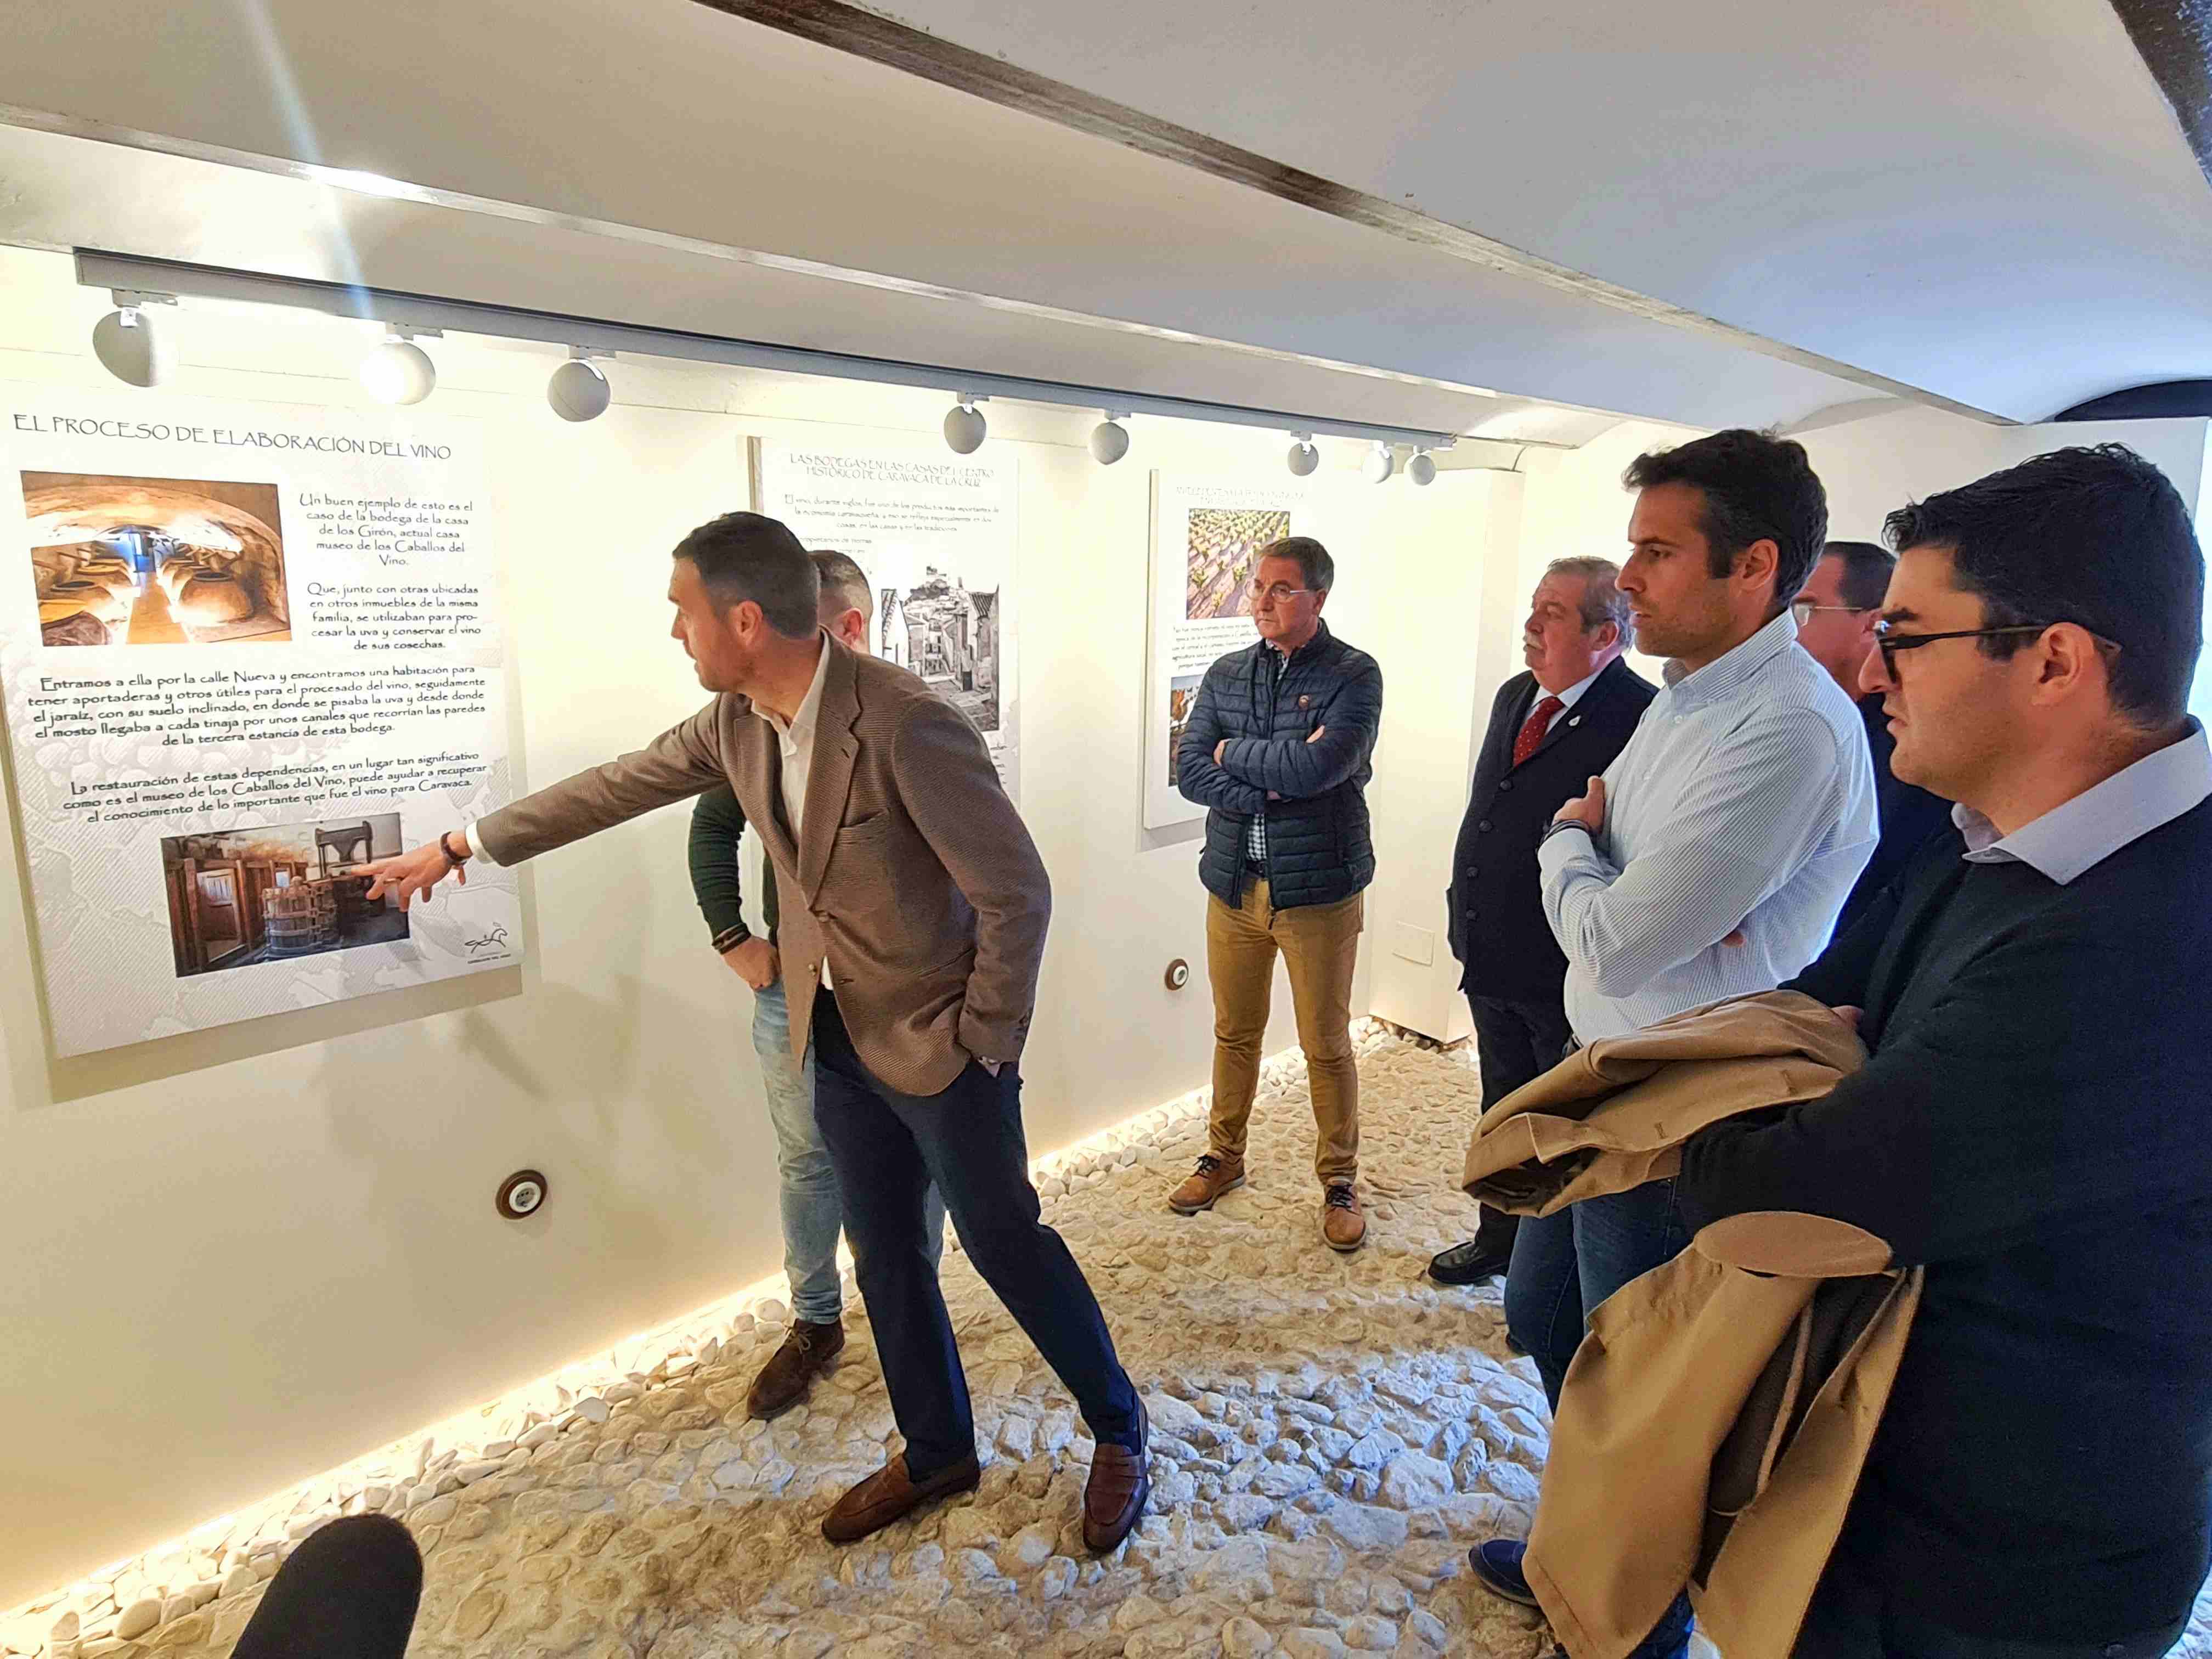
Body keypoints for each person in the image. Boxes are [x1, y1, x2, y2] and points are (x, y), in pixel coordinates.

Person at [362, 512, 1149, 1554]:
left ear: (744, 619)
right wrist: (463, 842)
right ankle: (937, 1446)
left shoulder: (907, 719)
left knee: (1004, 1242)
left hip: (939, 1041)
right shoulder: (734, 722)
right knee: (886, 1255)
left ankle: (1118, 1424)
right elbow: (614, 784)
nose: (675, 634)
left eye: (684, 611)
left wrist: (986, 1038)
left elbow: (1016, 890)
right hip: (829, 1036)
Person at [1680, 444, 2212, 1659]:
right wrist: (1813, 1080)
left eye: (1909, 636)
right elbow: (1811, 1005)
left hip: (2009, 1570)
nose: (1871, 671)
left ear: (2057, 661)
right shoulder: (1987, 832)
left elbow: (1785, 1199)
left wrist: (1720, 1124)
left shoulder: (2146, 941)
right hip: (1886, 1489)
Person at [1472, 430, 1876, 1658]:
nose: (1629, 577)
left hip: (1682, 1114)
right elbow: (1621, 923)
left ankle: (1625, 1617)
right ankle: (1583, 1549)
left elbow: (1619, 943)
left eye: (1657, 550)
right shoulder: (1690, 698)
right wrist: (1595, 865)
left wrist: (1566, 845)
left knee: (1650, 1395)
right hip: (1609, 1085)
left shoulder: (1788, 733)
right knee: (1551, 1327)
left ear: (1755, 566)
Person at [687, 549, 946, 1420]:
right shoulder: (753, 726)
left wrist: (985, 1023)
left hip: (897, 1000)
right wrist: (735, 939)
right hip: (795, 996)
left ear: (849, 630)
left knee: (918, 1171)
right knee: (806, 1161)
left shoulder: (907, 722)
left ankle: (915, 1318)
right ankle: (815, 1323)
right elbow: (708, 823)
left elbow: (997, 885)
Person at [1429, 558, 1655, 1288]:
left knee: (1558, 1122)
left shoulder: (1639, 716)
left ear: (1606, 634)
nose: (1530, 626)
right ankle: (1500, 1240)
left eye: (1552, 614)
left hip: (1563, 965)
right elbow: (1491, 810)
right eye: (1534, 607)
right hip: (1491, 947)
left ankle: (1547, 1277)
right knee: (1501, 1102)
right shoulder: (1517, 695)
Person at [1168, 536, 1385, 1251]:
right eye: (1258, 586)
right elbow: (1191, 770)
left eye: (1282, 589)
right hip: (1235, 883)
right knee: (1235, 1033)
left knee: (1325, 1042)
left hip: (1318, 888)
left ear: (1319, 598)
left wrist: (1243, 755)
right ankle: (1223, 1157)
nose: (1261, 601)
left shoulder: (1355, 675)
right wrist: (1270, 772)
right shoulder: (1227, 674)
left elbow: (1324, 763)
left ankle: (1340, 1180)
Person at [1793, 540, 1953, 935]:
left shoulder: (1912, 744)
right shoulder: (1787, 721)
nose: (1782, 628)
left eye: (1803, 610)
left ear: (1871, 625)